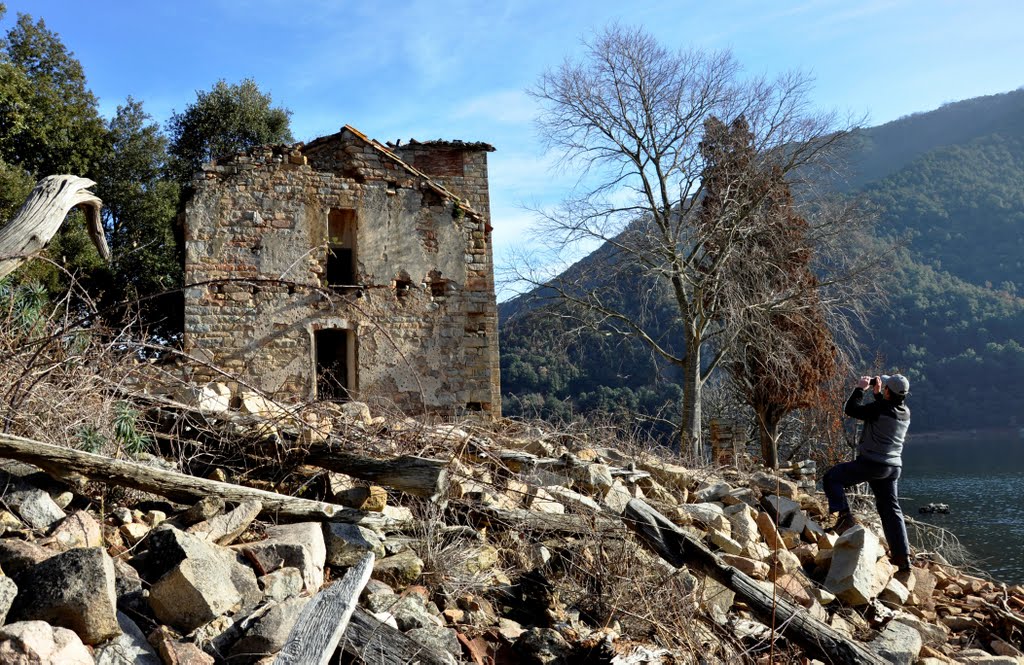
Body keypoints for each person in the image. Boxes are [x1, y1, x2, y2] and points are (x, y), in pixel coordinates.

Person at [823, 373, 912, 571]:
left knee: (832, 477)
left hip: (873, 463)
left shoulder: (879, 409)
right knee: (891, 510)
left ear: (888, 391)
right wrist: (879, 395)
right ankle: (902, 557)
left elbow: (851, 409)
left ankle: (845, 520)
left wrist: (860, 389)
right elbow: (886, 408)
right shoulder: (905, 412)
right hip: (893, 468)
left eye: (885, 387)